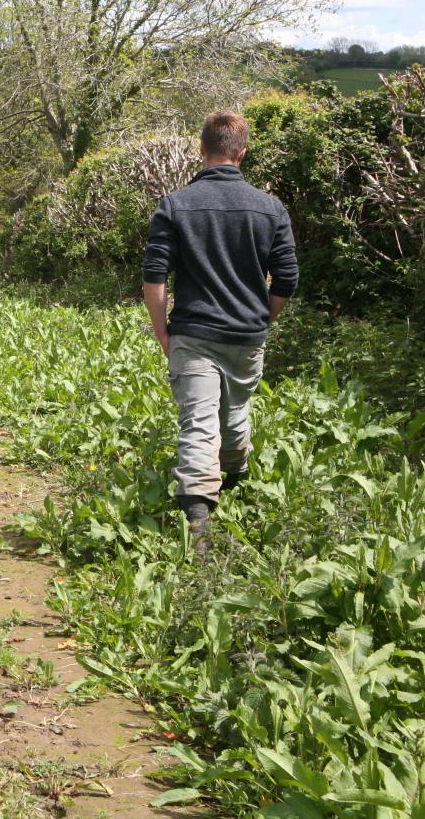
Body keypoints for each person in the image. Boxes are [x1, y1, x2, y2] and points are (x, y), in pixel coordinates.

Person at [142, 111, 299, 550]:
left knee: (199, 422)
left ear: (201, 149)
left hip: (192, 333)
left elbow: (155, 277)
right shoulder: (271, 208)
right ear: (242, 153)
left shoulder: (174, 205)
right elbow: (286, 279)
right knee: (233, 416)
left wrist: (163, 332)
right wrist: (262, 320)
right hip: (246, 335)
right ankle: (232, 485)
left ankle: (199, 520)